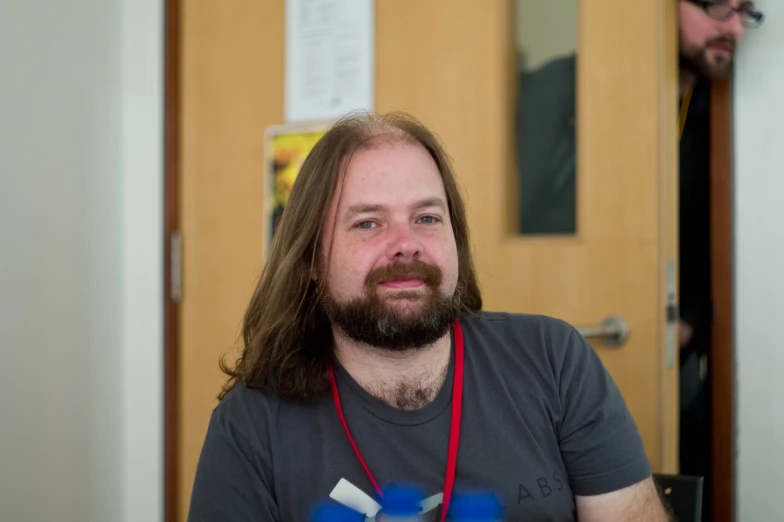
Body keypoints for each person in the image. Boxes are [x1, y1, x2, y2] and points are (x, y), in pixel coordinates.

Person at [187, 111, 671, 522]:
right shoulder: (251, 428)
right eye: (368, 222)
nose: (406, 243)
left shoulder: (554, 359)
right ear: (312, 258)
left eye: (427, 218)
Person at [515, 2, 763, 518]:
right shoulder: (558, 90)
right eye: (718, 5)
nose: (734, 27)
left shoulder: (717, 117)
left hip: (676, 346)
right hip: (562, 326)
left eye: (746, 12)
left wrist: (690, 320)